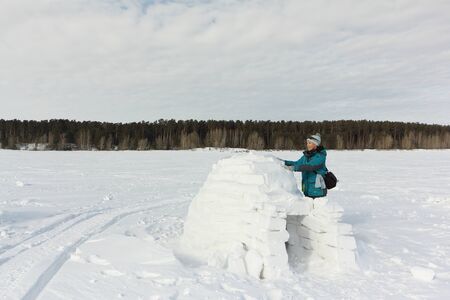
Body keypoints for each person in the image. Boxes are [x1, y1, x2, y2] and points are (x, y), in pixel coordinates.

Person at [283, 133, 327, 199]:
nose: (307, 145)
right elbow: (297, 163)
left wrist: (294, 168)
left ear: (315, 145)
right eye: (307, 143)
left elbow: (309, 167)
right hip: (307, 189)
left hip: (318, 191)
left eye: (310, 143)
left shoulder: (320, 156)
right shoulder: (306, 156)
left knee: (318, 208)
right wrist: (284, 162)